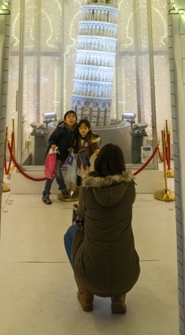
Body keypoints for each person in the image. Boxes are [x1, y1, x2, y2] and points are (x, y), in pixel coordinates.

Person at [63, 143, 140, 314]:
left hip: (92, 276)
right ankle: (118, 296)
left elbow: (81, 215)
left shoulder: (89, 188)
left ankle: (86, 293)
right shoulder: (129, 188)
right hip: (127, 275)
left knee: (71, 234)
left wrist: (85, 179)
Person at [42, 110, 78, 205]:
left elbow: (75, 142)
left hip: (64, 155)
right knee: (56, 173)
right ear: (65, 120)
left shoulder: (75, 130)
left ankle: (46, 194)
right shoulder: (61, 129)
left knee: (51, 175)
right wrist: (53, 144)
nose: (71, 118)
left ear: (76, 119)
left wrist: (72, 148)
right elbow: (52, 138)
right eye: (69, 116)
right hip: (55, 155)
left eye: (73, 116)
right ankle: (63, 190)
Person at [75, 118, 100, 184]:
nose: (83, 130)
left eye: (85, 128)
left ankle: (87, 192)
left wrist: (97, 150)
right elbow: (75, 148)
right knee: (79, 179)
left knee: (88, 180)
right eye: (81, 128)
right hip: (80, 163)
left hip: (89, 164)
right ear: (78, 129)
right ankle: (79, 192)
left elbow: (95, 147)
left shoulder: (91, 139)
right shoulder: (77, 138)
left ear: (89, 129)